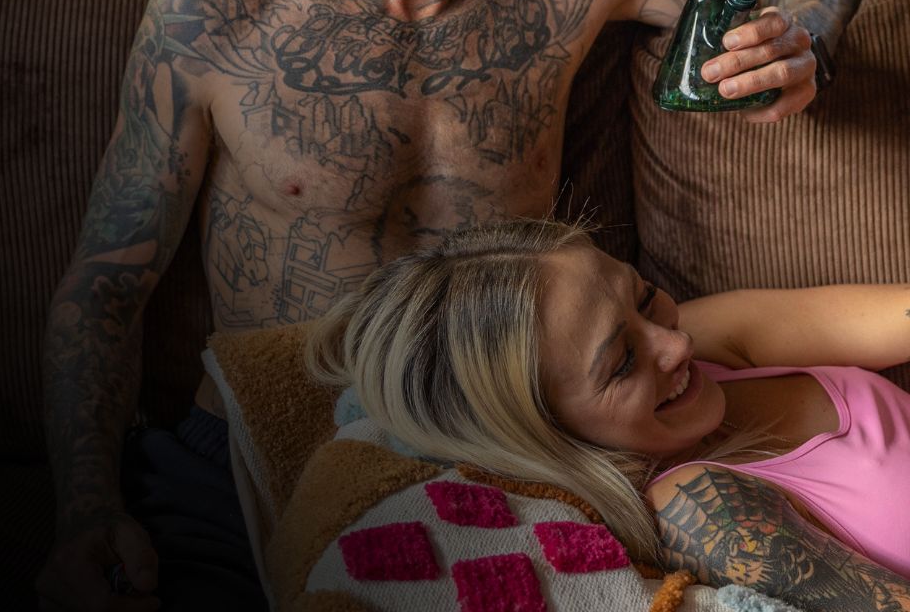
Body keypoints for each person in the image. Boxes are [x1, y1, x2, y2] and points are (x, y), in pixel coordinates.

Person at [35, 0, 857, 612]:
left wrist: (796, 38)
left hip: (490, 468)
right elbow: (105, 289)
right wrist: (86, 509)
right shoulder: (214, 17)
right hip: (249, 463)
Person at [307, 218, 910, 608]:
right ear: (548, 429)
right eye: (622, 363)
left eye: (643, 298)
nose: (676, 343)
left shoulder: (705, 342)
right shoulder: (700, 509)